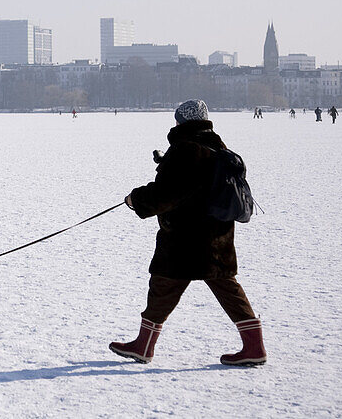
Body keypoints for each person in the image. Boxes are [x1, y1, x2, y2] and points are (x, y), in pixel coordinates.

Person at [110, 99, 266, 366]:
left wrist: (136, 199)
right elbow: (193, 183)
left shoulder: (187, 149)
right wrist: (166, 163)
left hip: (185, 238)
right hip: (216, 237)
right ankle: (254, 346)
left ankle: (143, 346)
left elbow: (167, 193)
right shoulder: (216, 146)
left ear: (181, 121)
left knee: (162, 284)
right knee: (225, 287)